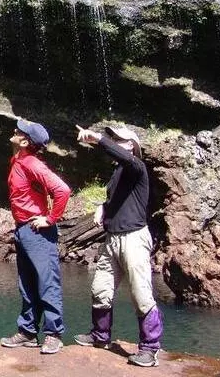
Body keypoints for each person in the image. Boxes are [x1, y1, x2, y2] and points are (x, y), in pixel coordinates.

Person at [73, 125, 163, 368]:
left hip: (134, 238)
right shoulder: (119, 173)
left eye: (119, 139)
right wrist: (104, 206)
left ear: (132, 145)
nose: (114, 141)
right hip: (112, 238)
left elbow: (121, 155)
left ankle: (150, 349)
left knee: (140, 294)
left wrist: (99, 140)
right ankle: (100, 336)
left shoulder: (137, 167)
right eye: (112, 137)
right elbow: (119, 200)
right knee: (100, 289)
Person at [0, 119, 71, 355]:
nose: (14, 130)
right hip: (23, 229)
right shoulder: (18, 159)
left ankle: (54, 334)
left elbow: (62, 190)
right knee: (27, 283)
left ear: (25, 141)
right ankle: (28, 332)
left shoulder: (31, 163)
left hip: (38, 230)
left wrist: (50, 219)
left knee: (46, 282)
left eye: (19, 131)